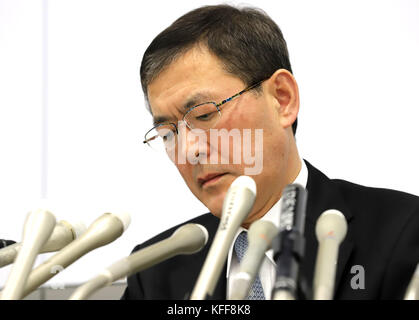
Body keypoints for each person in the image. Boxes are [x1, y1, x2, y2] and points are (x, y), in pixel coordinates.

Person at [121, 4, 419, 300]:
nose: (188, 150)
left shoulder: (403, 232)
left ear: (282, 99)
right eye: (167, 132)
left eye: (204, 115)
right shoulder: (155, 274)